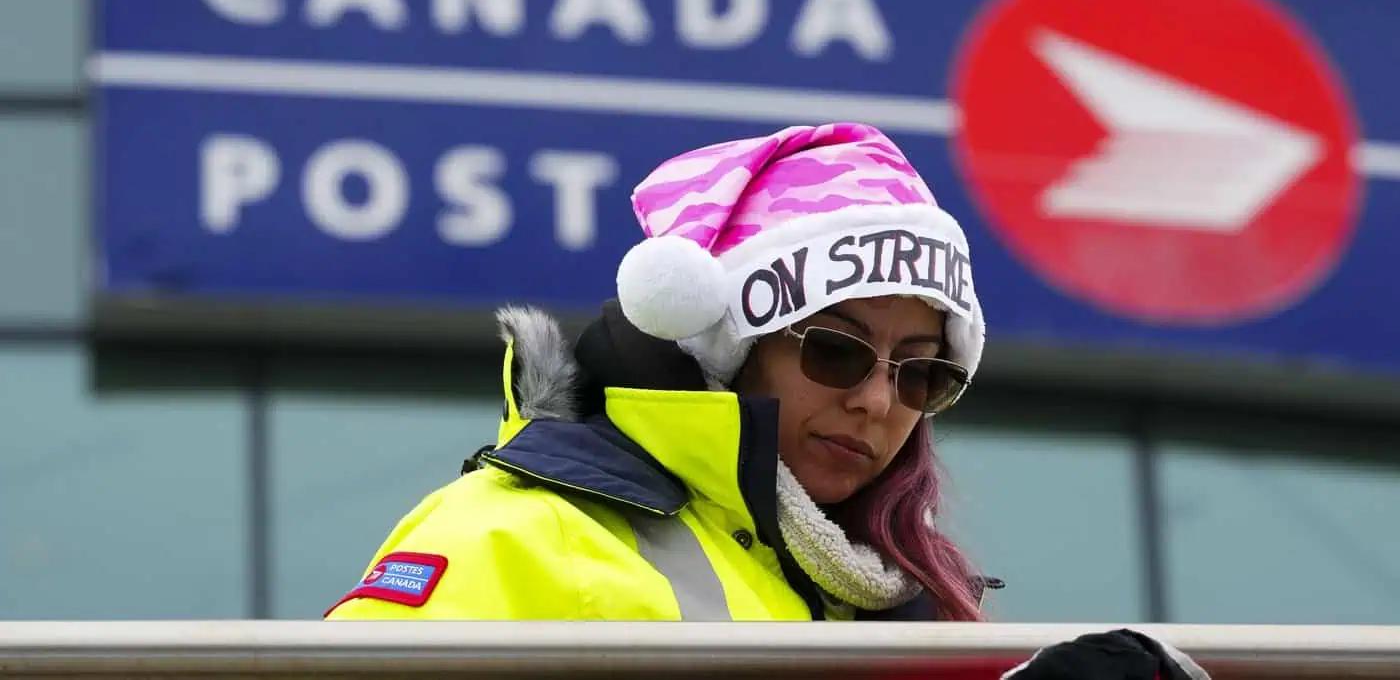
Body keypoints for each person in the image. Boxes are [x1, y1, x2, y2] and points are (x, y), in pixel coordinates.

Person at [326, 122, 989, 621]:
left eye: (921, 374)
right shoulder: (513, 535)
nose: (876, 401)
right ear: (727, 344)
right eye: (836, 350)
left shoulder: (917, 602)